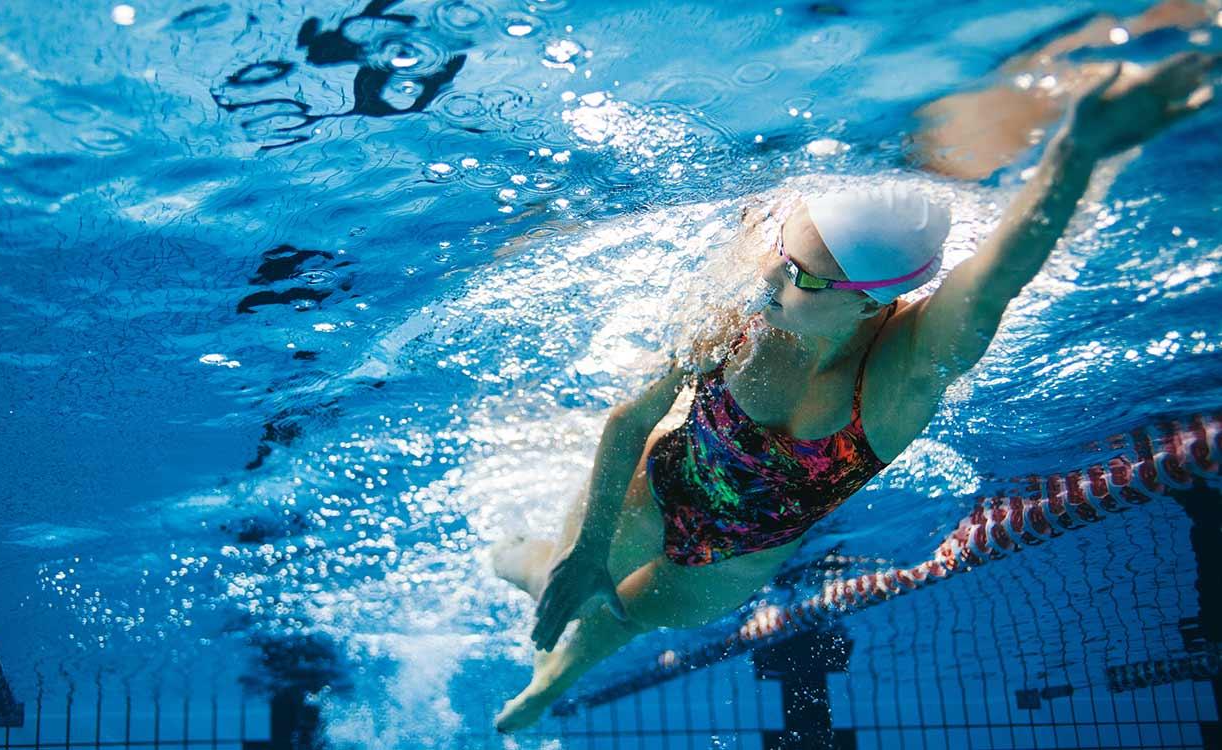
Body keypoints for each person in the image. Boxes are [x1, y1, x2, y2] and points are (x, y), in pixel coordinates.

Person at [489, 26, 1217, 732]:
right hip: (653, 485)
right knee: (564, 574)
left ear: (870, 300)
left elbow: (996, 280)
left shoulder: (897, 379)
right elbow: (630, 416)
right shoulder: (757, 292)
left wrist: (1077, 150)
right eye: (782, 251)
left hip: (729, 565)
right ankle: (528, 563)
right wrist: (584, 554)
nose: (772, 275)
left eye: (803, 275)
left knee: (615, 620)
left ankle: (552, 679)